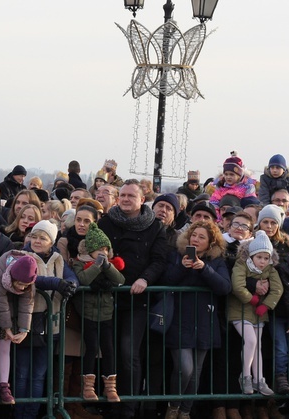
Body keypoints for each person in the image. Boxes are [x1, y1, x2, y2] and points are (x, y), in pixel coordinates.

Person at [97, 179, 167, 418]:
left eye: (131, 196)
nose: (125, 199)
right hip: (108, 296)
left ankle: (128, 407)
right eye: (123, 195)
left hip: (137, 299)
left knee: (129, 353)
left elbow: (159, 260)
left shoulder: (156, 227)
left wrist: (145, 279)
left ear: (142, 199)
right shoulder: (106, 222)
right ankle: (110, 405)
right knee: (108, 352)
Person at [162, 221, 231, 418]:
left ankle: (185, 411)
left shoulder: (216, 261)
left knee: (196, 371)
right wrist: (183, 268)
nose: (196, 239)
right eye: (194, 235)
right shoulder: (177, 255)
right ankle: (173, 406)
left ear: (210, 242)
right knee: (185, 368)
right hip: (179, 319)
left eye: (202, 237)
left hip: (204, 321)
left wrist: (204, 269)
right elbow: (165, 281)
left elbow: (225, 287)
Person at [15, 220, 78, 419]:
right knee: (22, 373)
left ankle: (31, 415)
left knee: (39, 375)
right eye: (34, 236)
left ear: (52, 241)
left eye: (43, 237)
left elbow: (72, 279)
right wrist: (54, 282)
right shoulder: (20, 255)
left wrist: (69, 285)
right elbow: (26, 278)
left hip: (51, 324)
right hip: (26, 323)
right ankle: (18, 415)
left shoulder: (58, 259)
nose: (37, 241)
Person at [71, 223, 125, 404]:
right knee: (92, 348)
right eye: (99, 249)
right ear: (91, 250)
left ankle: (110, 387)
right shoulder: (79, 262)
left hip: (107, 313)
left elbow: (120, 280)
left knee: (108, 349)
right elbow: (84, 279)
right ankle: (88, 387)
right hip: (88, 313)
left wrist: (108, 266)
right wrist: (97, 265)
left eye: (105, 249)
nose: (103, 252)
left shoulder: (110, 264)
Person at [228, 230, 283, 395]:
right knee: (250, 341)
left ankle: (259, 379)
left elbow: (277, 289)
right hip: (240, 311)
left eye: (266, 258)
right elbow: (237, 285)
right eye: (259, 257)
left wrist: (266, 305)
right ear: (252, 256)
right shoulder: (241, 264)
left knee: (257, 345)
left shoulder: (270, 269)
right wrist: (251, 299)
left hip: (258, 313)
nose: (263, 261)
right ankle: (245, 376)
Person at [0, 253, 37, 405]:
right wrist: (7, 328)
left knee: (5, 348)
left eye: (26, 285)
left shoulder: (28, 281)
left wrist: (24, 329)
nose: (22, 288)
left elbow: (27, 303)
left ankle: (4, 386)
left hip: (11, 315)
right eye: (20, 284)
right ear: (12, 276)